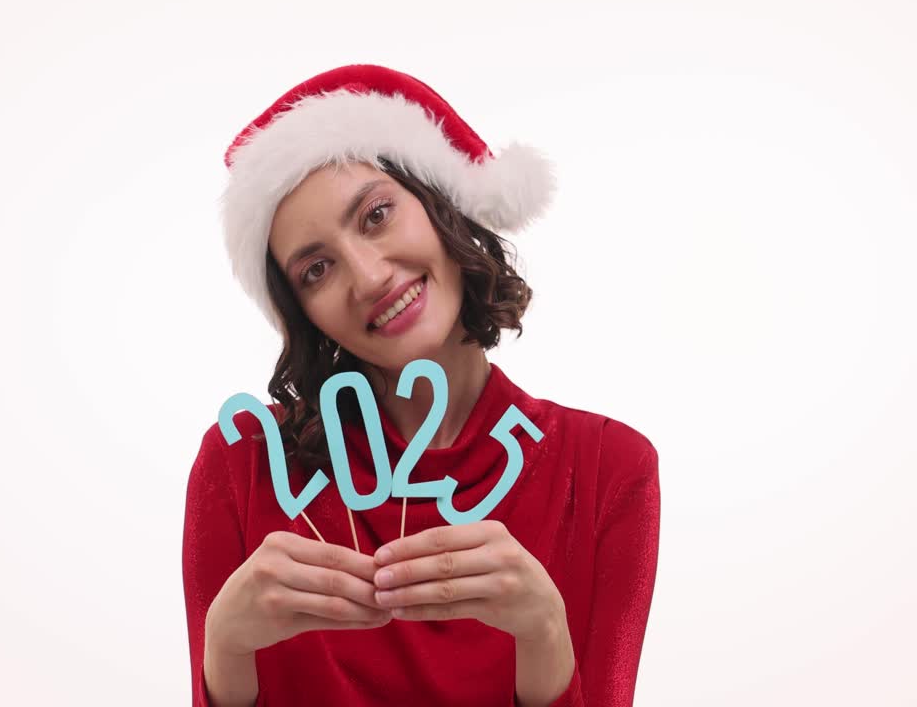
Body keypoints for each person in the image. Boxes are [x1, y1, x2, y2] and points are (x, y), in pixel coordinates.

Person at [182, 64, 660, 707]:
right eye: (316, 268)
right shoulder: (243, 464)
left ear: (443, 203)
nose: (369, 275)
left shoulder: (607, 472)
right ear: (302, 311)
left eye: (377, 214)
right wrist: (225, 653)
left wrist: (546, 635)